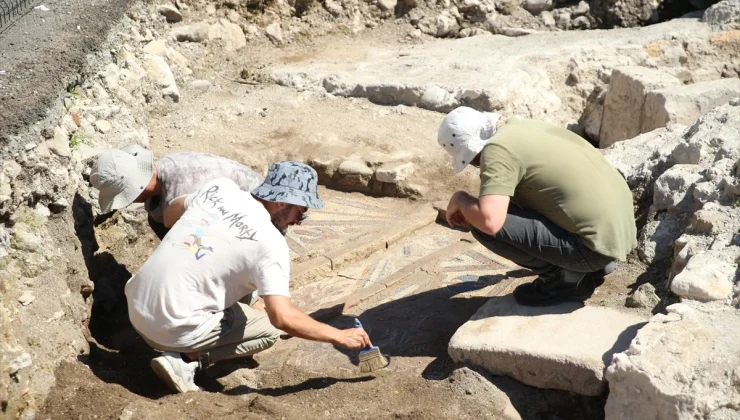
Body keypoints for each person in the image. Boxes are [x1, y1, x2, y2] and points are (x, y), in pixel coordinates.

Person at [124, 162, 372, 393]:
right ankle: (184, 360)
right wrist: (339, 336)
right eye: (301, 211)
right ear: (282, 202)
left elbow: (170, 215)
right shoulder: (271, 243)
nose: (299, 221)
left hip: (135, 307)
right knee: (268, 332)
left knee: (244, 278)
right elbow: (282, 318)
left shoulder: (221, 188)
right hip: (165, 331)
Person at [438, 107, 637, 306]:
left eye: (471, 161)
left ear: (473, 151)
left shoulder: (497, 150)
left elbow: (490, 221)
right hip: (619, 235)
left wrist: (462, 200)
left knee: (482, 225)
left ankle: (567, 279)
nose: (475, 166)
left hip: (594, 250)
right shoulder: (522, 127)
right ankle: (595, 264)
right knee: (509, 202)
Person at [90, 144, 264, 238]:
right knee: (158, 218)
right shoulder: (166, 168)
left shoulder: (183, 188)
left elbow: (207, 238)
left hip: (261, 218)